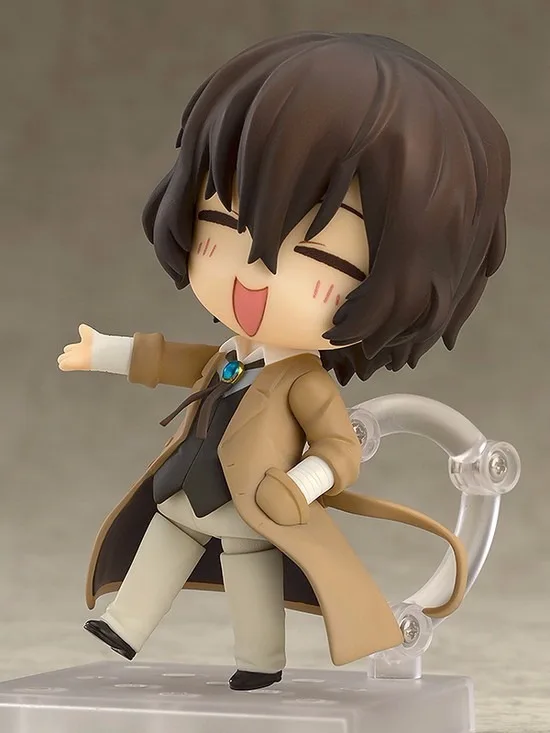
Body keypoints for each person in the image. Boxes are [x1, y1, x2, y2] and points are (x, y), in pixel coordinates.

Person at [58, 31, 510, 691]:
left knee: (250, 575)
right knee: (164, 537)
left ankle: (260, 660)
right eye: (223, 226)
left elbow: (340, 450)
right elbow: (182, 361)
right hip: (187, 484)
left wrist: (300, 486)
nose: (253, 276)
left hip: (253, 506)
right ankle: (124, 625)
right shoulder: (232, 355)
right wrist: (107, 351)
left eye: (320, 257)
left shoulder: (303, 382)